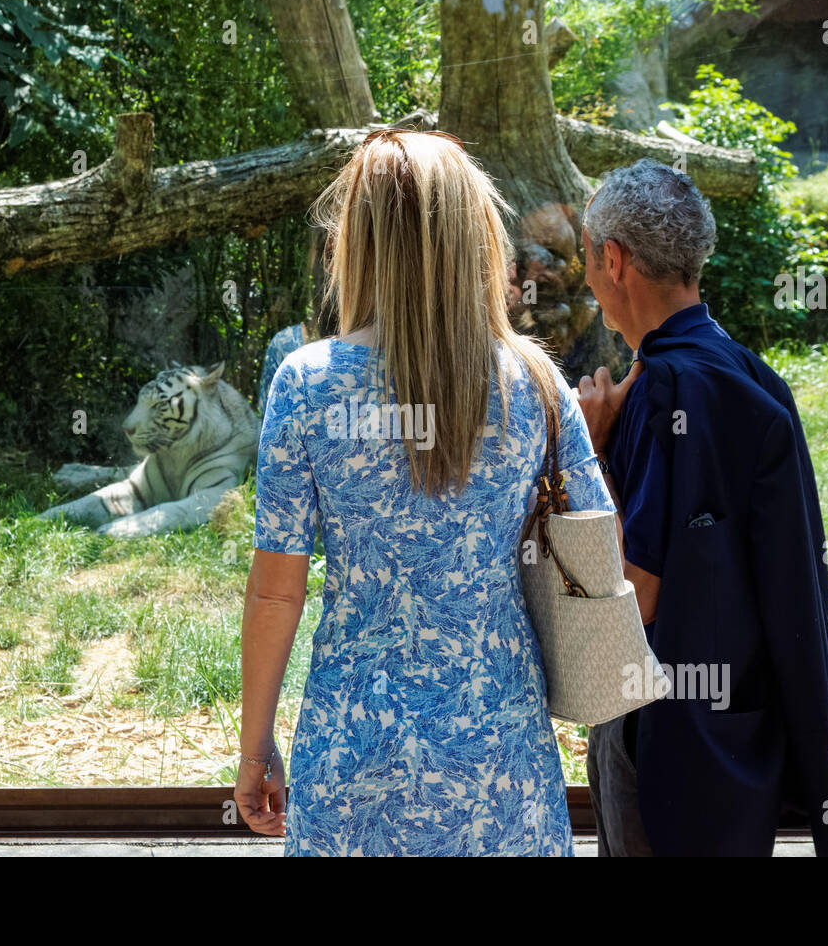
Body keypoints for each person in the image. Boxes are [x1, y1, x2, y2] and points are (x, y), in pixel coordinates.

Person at [233, 129, 616, 856]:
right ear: (476, 236)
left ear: (361, 243)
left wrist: (257, 746)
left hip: (353, 745)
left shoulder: (307, 383)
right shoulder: (535, 381)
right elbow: (599, 545)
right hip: (499, 752)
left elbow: (277, 592)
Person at [575, 158, 828, 856]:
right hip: (743, 735)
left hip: (659, 743)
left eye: (586, 259)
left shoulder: (659, 389)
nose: (586, 277)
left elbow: (634, 594)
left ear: (613, 260)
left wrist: (594, 452)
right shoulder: (755, 375)